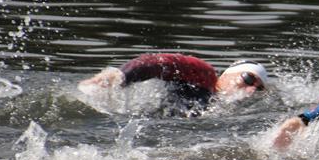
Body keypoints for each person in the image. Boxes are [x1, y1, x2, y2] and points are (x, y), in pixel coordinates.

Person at [79, 53, 268, 110]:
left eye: (258, 89)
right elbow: (159, 62)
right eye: (248, 78)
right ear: (227, 74)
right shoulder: (205, 76)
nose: (251, 89)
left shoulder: (227, 110)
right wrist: (120, 76)